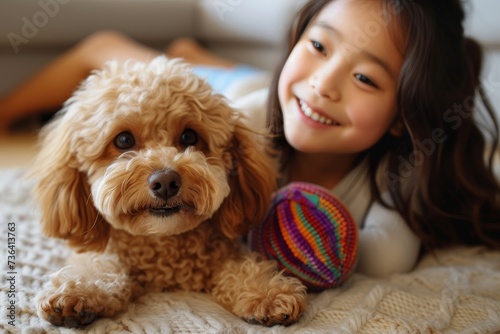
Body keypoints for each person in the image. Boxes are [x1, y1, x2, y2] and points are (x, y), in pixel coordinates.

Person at [1, 0, 499, 277]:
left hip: (273, 95)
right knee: (110, 52)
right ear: (297, 38)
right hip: (253, 91)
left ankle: (196, 52)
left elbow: (386, 255)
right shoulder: (239, 119)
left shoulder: (402, 169)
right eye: (319, 45)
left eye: (366, 79)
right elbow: (188, 125)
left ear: (400, 116)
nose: (325, 82)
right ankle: (192, 55)